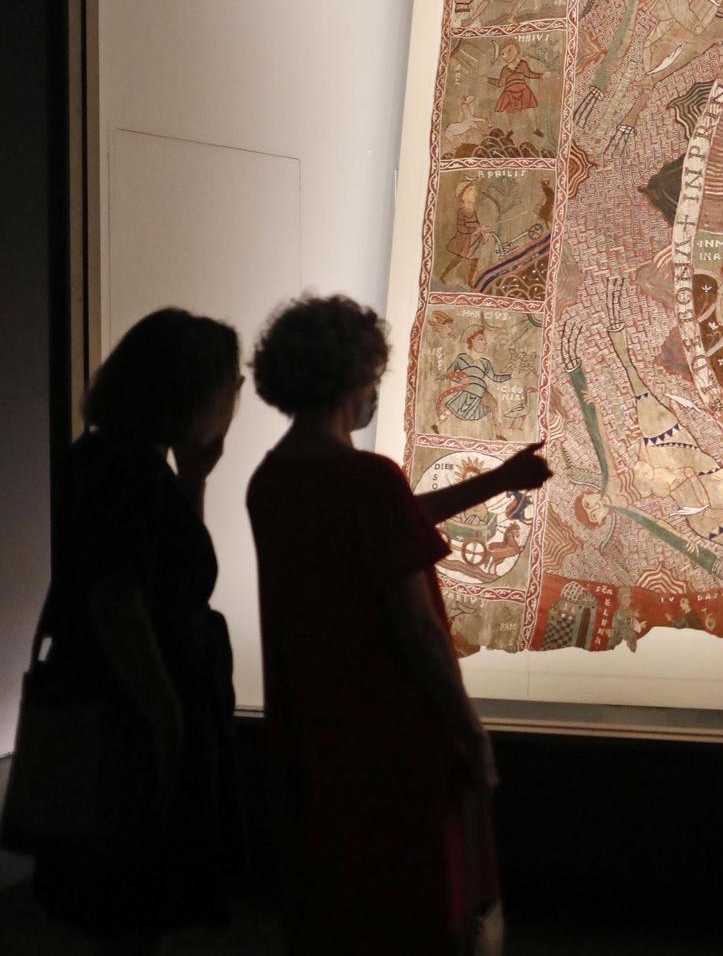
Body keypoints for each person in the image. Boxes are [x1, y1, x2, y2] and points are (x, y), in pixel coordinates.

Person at [245, 295, 550, 955]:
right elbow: (415, 627)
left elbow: (395, 515)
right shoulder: (365, 481)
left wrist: (500, 478)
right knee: (413, 907)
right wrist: (469, 729)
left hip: (316, 724)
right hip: (390, 730)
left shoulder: (271, 479)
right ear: (358, 376)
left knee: (339, 906)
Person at [31, 308, 244, 956]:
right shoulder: (127, 471)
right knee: (134, 891)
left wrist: (194, 476)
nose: (236, 397)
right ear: (192, 390)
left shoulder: (107, 459)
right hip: (129, 715)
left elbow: (168, 574)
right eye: (230, 383)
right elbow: (119, 599)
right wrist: (167, 715)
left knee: (128, 901)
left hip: (123, 703)